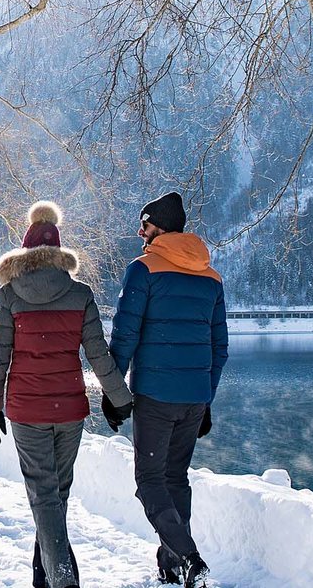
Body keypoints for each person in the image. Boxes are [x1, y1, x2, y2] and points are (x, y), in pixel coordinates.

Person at [0, 201, 134, 588]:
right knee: (56, 495)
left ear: (26, 251)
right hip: (69, 410)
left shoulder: (9, 295)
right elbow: (97, 352)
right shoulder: (79, 294)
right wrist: (120, 396)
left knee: (45, 496)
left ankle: (62, 580)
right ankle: (44, 574)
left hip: (27, 410)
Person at [106, 191, 227, 587]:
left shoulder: (144, 269)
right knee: (176, 478)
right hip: (194, 397)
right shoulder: (211, 276)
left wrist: (114, 393)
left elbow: (125, 336)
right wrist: (206, 396)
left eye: (144, 224)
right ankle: (171, 566)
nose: (139, 231)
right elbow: (218, 347)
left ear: (160, 227)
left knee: (150, 482)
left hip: (155, 396)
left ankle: (189, 558)